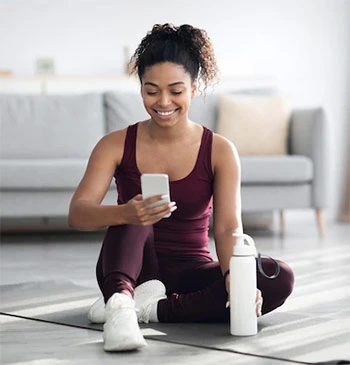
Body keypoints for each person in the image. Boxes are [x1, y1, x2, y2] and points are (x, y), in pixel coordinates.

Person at [68, 23, 294, 352]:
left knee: (278, 277)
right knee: (135, 215)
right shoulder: (114, 144)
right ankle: (120, 303)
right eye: (151, 90)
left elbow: (229, 226)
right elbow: (78, 214)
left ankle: (151, 311)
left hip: (192, 272)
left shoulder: (219, 150)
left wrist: (234, 276)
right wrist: (125, 212)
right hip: (131, 267)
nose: (163, 102)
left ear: (194, 87)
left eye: (175, 91)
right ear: (140, 88)